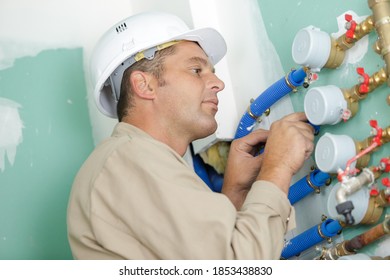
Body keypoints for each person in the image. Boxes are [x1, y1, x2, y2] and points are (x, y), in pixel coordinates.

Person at [67, 11, 315, 259]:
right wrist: (277, 168)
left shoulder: (135, 162)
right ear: (145, 85)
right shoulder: (127, 160)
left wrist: (235, 191)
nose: (218, 82)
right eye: (197, 70)